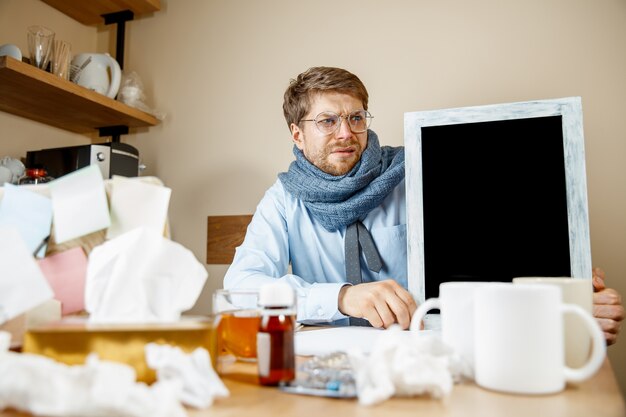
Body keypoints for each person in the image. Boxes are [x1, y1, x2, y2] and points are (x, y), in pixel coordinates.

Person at [223, 66, 624, 344]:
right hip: (332, 361)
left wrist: (566, 297)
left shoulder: (416, 171)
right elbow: (241, 288)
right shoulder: (283, 200)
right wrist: (343, 296)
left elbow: (494, 253)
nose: (346, 133)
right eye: (328, 121)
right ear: (297, 134)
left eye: (356, 117)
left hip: (428, 349)